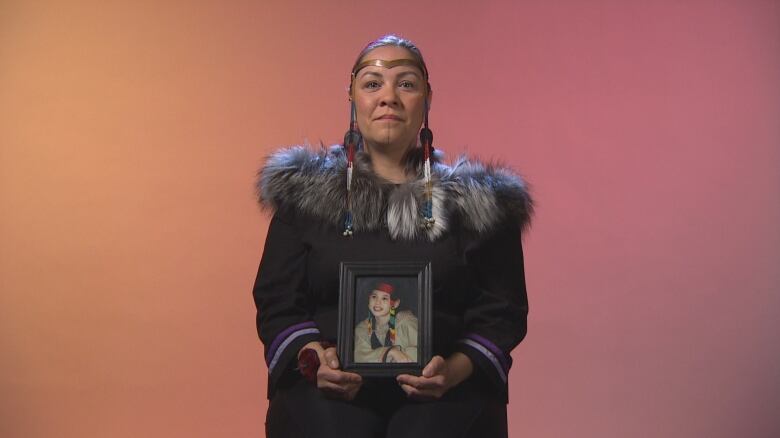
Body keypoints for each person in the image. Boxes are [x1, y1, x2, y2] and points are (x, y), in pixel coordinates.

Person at [252, 34, 533, 438]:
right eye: (372, 84)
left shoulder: (480, 203)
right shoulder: (303, 194)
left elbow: (502, 310)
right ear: (352, 98)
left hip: (447, 388)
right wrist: (314, 359)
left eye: (406, 83)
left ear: (427, 98)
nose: (389, 98)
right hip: (327, 389)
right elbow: (278, 301)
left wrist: (454, 370)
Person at [354, 282, 418, 363]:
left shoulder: (406, 322)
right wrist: (390, 352)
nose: (377, 302)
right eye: (374, 297)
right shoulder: (362, 328)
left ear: (395, 303)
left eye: (384, 298)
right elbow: (359, 357)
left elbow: (421, 353)